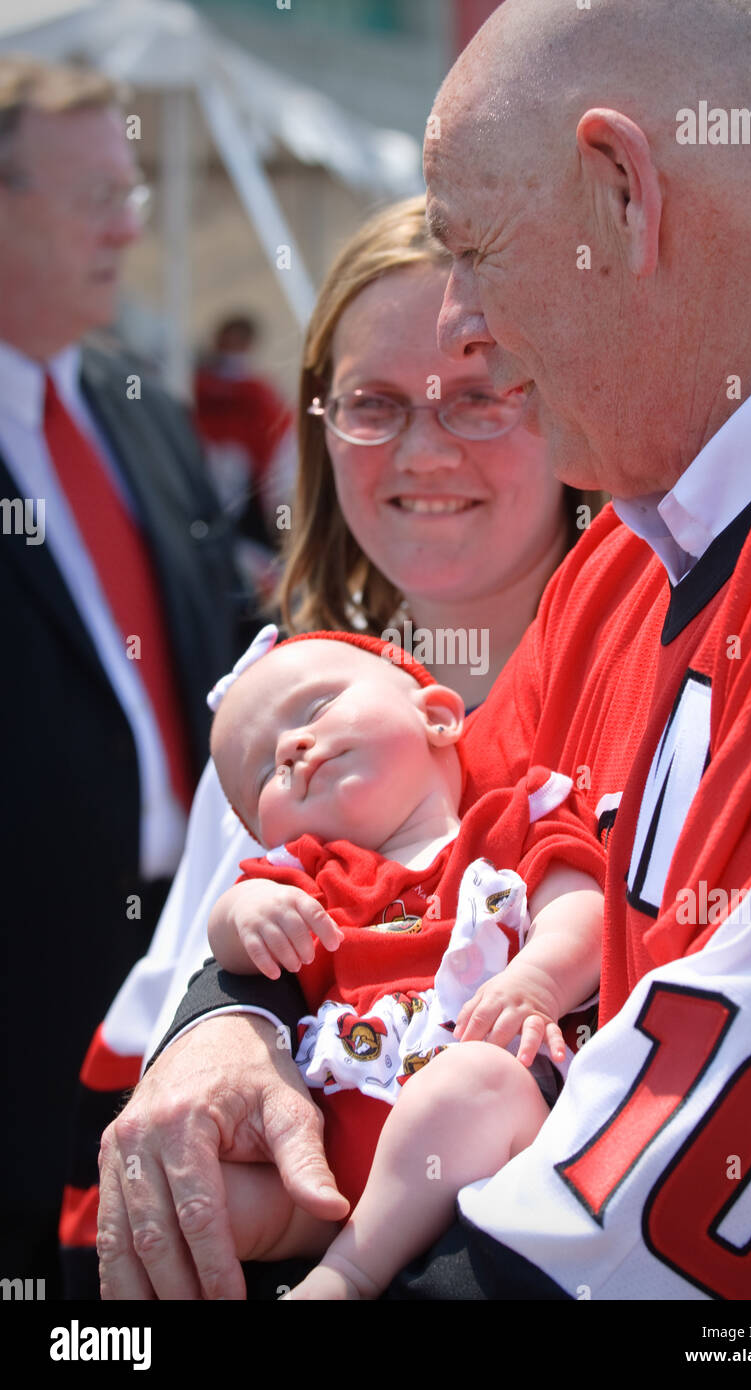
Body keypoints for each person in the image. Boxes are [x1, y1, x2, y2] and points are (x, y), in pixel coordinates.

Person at [67, 195, 599, 1297]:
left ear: (573, 409)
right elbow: (151, 1120)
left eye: (480, 397)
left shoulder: (648, 685)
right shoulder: (275, 724)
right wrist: (221, 1021)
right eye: (375, 403)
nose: (422, 447)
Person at [0, 55, 249, 1296]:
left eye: (135, 184)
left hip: (174, 957)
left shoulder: (131, 399)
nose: (130, 220)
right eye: (96, 189)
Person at [204, 626, 602, 1260]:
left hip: (488, 1136)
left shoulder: (511, 820)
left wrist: (540, 982)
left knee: (470, 1084)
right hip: (327, 1174)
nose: (290, 748)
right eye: (263, 777)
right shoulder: (311, 879)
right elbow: (226, 935)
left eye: (316, 709)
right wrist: (244, 914)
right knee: (198, 1194)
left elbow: (584, 907)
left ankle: (353, 1275)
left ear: (439, 717)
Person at [193, 314, 296, 601]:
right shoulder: (193, 387)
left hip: (249, 506)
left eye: (239, 339)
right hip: (203, 495)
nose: (232, 346)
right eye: (228, 337)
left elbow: (279, 446)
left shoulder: (260, 394)